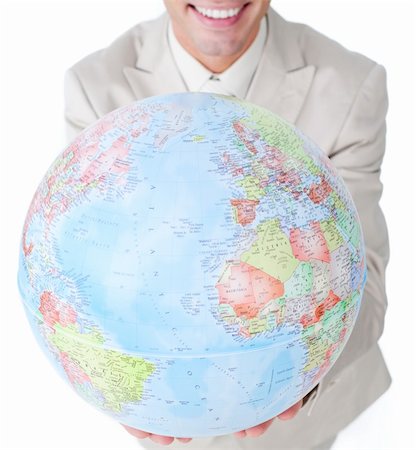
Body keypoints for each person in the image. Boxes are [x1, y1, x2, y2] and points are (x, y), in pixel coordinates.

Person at [64, 1, 391, 449]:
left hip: (306, 428)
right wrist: (113, 376)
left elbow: (365, 290)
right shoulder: (93, 87)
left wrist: (299, 375)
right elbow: (82, 260)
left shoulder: (352, 86)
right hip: (166, 400)